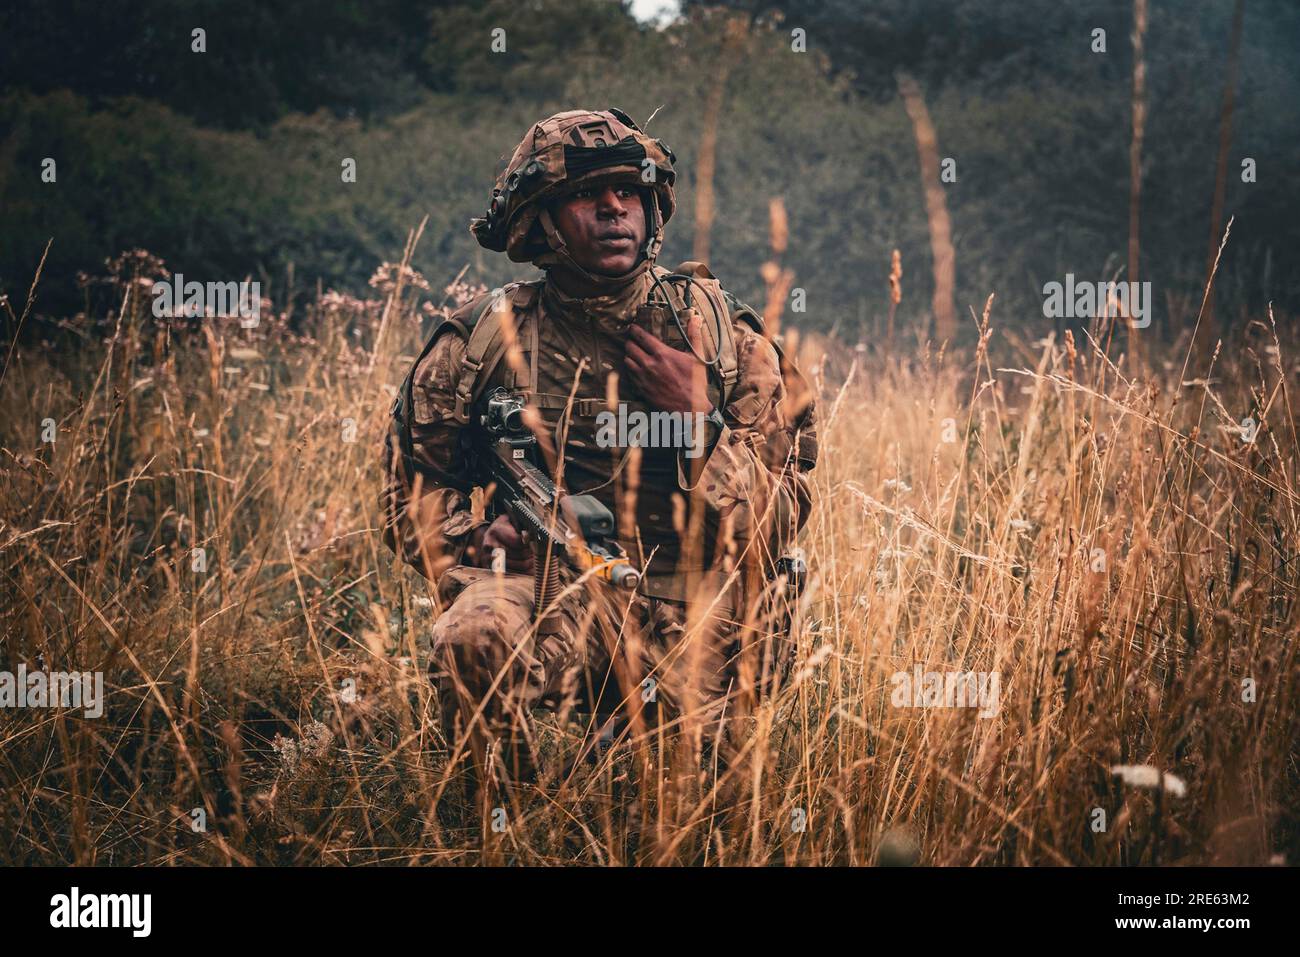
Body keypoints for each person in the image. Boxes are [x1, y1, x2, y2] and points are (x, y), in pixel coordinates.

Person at [381, 108, 817, 788]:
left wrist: (699, 419)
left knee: (673, 816)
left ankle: (615, 771)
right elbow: (408, 487)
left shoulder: (721, 337)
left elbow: (783, 513)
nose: (615, 208)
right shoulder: (484, 341)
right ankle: (504, 825)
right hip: (551, 590)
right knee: (471, 637)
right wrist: (470, 540)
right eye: (588, 195)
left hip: (696, 609)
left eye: (630, 193)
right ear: (542, 221)